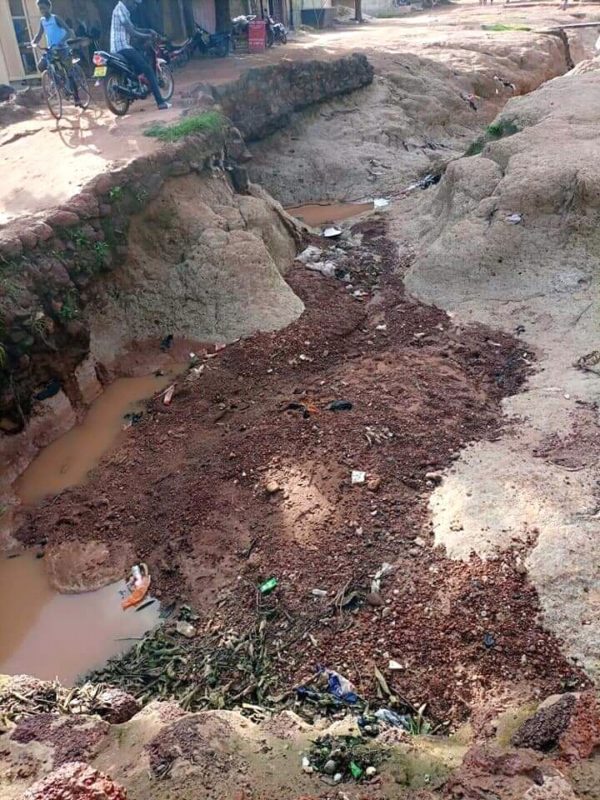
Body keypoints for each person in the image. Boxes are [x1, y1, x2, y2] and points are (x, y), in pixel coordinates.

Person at [110, 0, 170, 110]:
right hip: (122, 48)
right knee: (148, 70)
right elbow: (132, 32)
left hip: (122, 48)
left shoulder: (124, 11)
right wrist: (146, 36)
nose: (135, 6)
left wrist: (148, 31)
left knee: (139, 58)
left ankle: (136, 84)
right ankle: (161, 102)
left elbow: (133, 28)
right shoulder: (120, 10)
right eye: (134, 3)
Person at [32, 0, 81, 105]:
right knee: (41, 65)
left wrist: (61, 42)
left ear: (49, 7)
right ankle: (59, 84)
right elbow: (39, 34)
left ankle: (77, 98)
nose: (42, 10)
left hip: (62, 49)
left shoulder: (56, 19)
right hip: (51, 49)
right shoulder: (42, 21)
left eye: (44, 8)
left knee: (69, 73)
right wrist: (33, 42)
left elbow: (69, 32)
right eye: (40, 8)